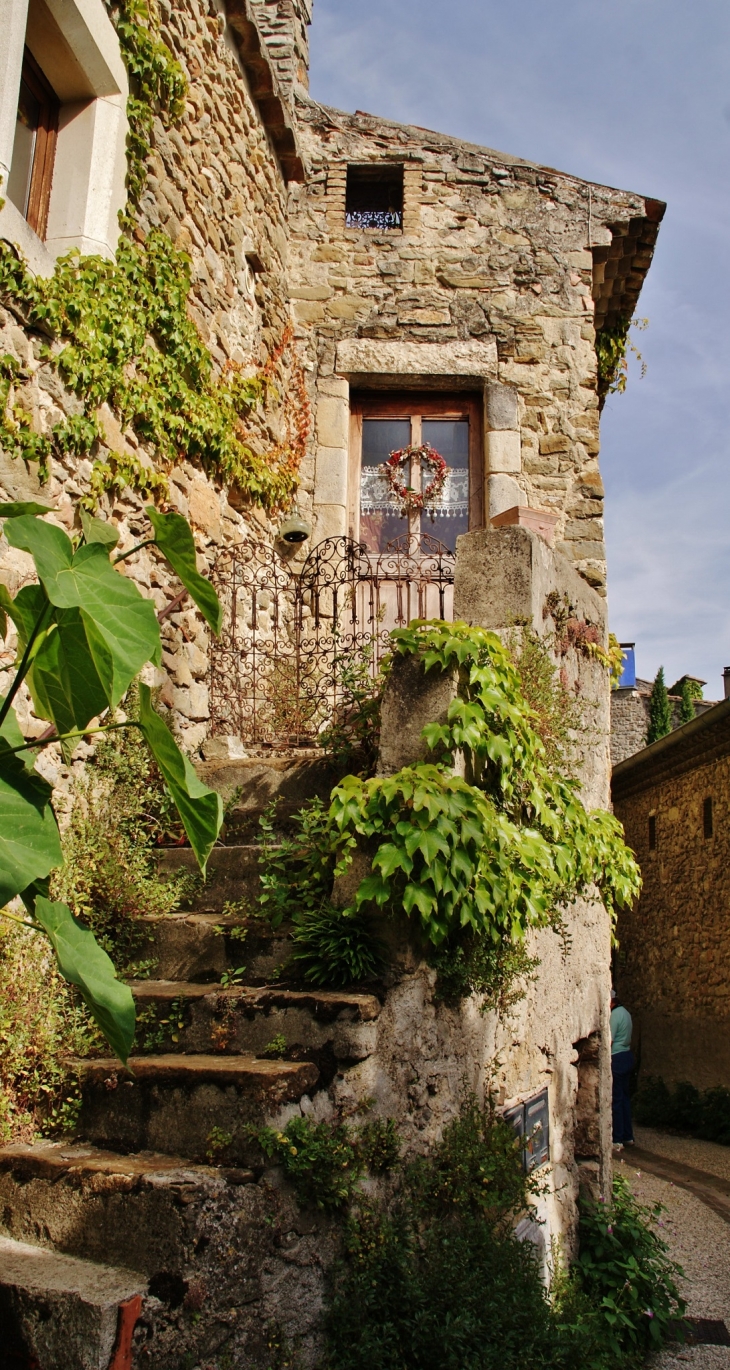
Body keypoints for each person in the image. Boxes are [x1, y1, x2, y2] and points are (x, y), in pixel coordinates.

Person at [610, 987, 634, 1150]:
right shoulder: (626, 1013)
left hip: (616, 1057)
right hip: (627, 1056)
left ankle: (617, 1139)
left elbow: (609, 1039)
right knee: (625, 1098)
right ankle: (628, 1136)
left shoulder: (614, 1015)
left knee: (616, 1099)